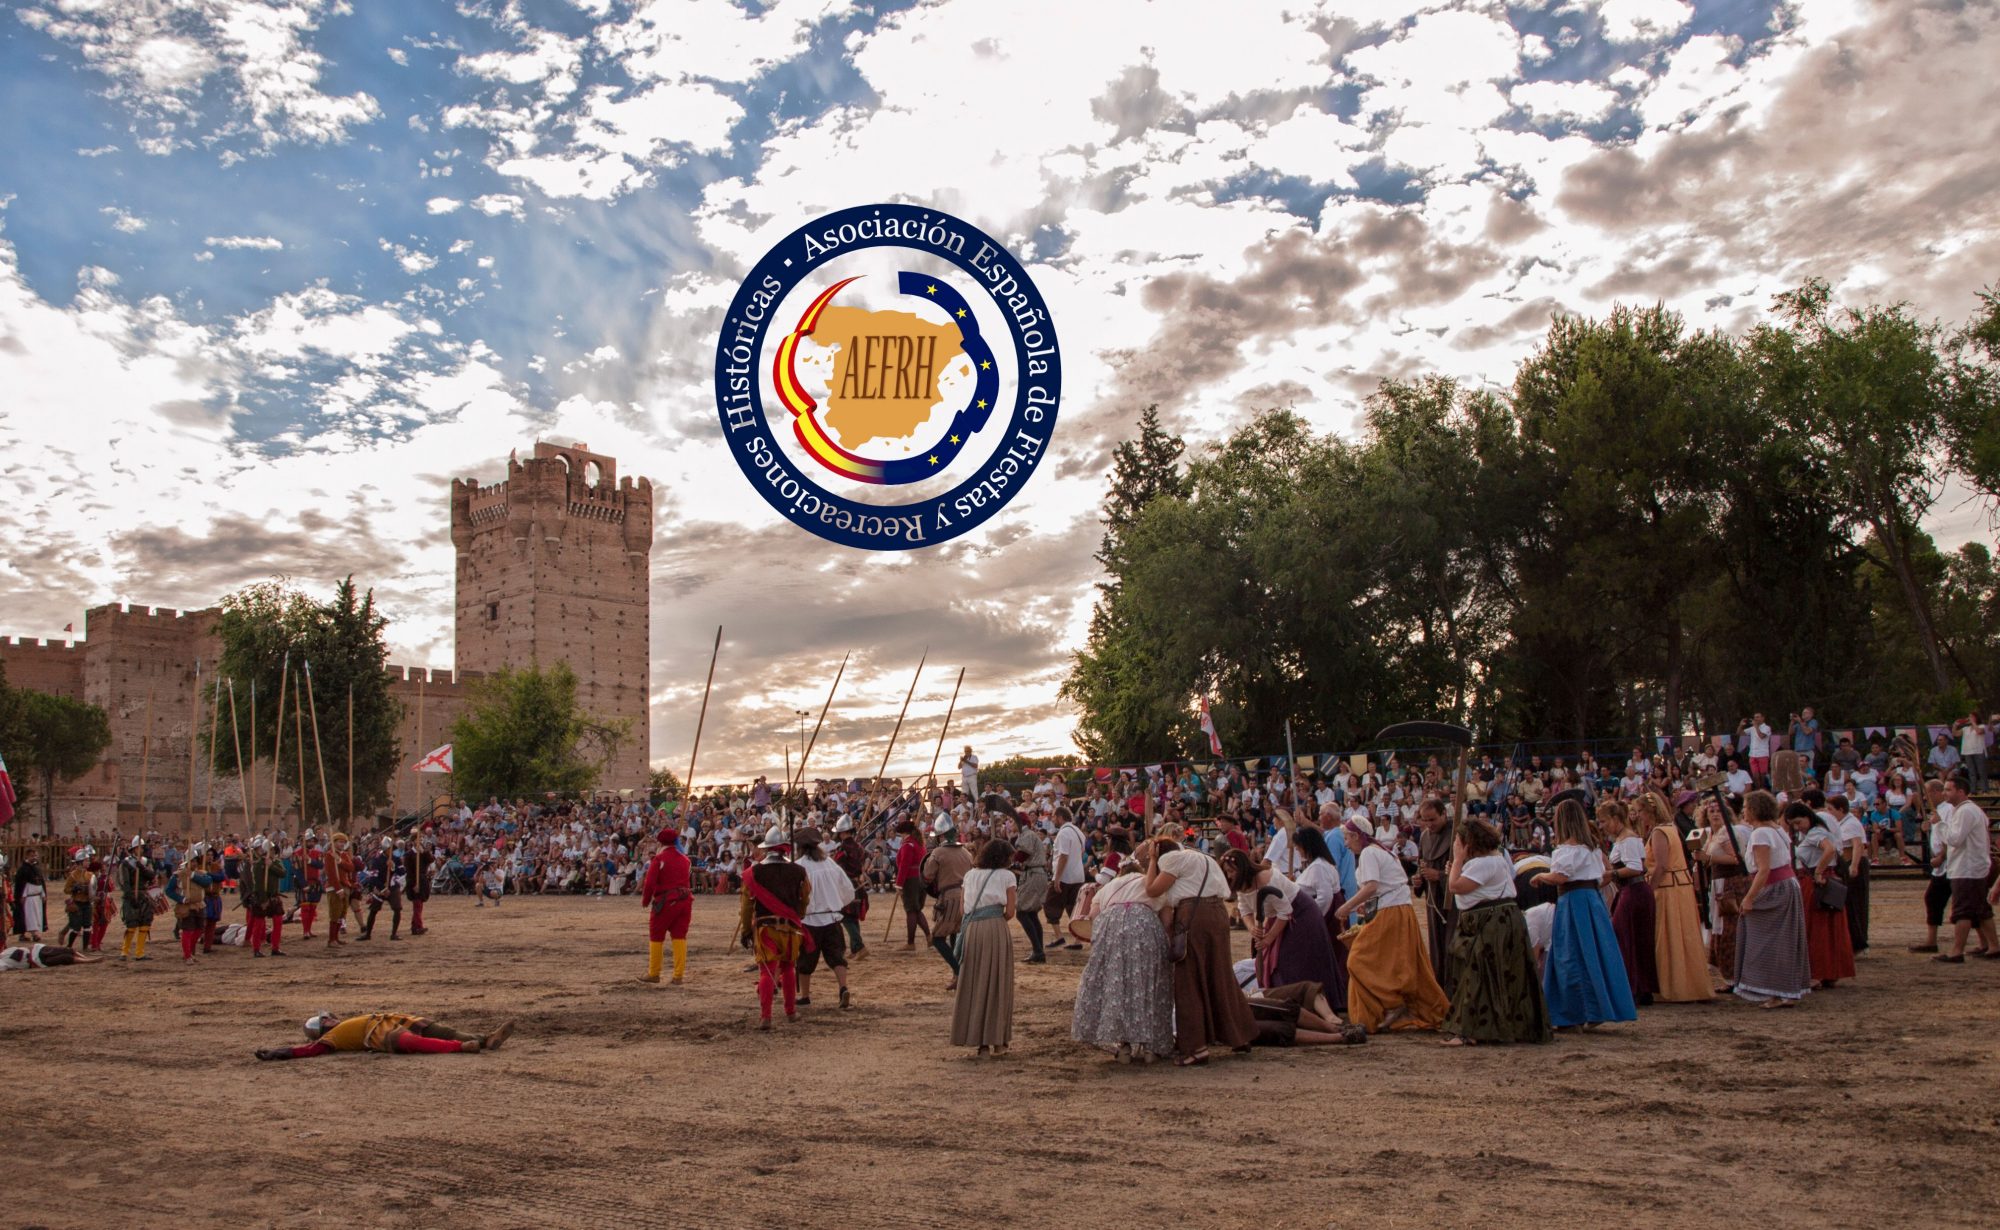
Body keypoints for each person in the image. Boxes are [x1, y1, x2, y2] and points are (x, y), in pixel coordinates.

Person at [1142, 834, 1255, 1065]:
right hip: (1217, 913)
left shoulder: (1171, 858)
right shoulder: (1203, 858)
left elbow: (1152, 889)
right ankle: (1239, 1035)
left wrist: (1153, 860)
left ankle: (1195, 1047)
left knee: (1188, 979)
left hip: (1194, 916)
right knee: (1220, 974)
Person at [1438, 818, 1550, 1045]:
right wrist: (1458, 866)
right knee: (1490, 976)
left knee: (1479, 975)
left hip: (1491, 922)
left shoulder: (1486, 863)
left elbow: (1456, 887)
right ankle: (1483, 1029)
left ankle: (1469, 1031)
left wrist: (1459, 859)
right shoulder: (1490, 860)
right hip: (1496, 919)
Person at [1336, 817, 1450, 1034]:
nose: (1346, 843)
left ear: (1356, 835)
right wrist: (1364, 907)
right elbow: (1383, 888)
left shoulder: (1370, 852)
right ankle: (1395, 1004)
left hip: (1391, 911)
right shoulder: (1382, 851)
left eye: (1347, 838)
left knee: (1358, 959)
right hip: (1396, 909)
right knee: (1395, 963)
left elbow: (1371, 886)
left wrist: (1346, 906)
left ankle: (1392, 1004)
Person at [1532, 799, 1636, 1030]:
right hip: (1592, 901)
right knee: (1595, 954)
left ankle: (1572, 1013)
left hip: (1572, 902)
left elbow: (1560, 876)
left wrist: (1540, 877)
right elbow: (1600, 876)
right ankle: (1597, 1008)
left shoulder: (1565, 851)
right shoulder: (1593, 849)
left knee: (1570, 956)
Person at [1071, 842, 1173, 1063]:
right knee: (1147, 983)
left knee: (1117, 986)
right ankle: (1149, 1047)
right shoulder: (1149, 882)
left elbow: (1093, 916)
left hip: (1111, 926)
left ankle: (1124, 1046)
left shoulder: (1108, 887)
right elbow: (1167, 920)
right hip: (1144, 924)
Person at [1221, 848, 1344, 1003]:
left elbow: (1285, 911)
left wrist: (1268, 939)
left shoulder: (1266, 879)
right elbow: (1244, 909)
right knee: (1274, 961)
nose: (1230, 875)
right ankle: (1290, 1001)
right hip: (1278, 917)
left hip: (1300, 915)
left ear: (1243, 868)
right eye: (1227, 872)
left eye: (1232, 871)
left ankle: (1313, 1000)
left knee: (1292, 959)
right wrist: (1253, 929)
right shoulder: (1242, 885)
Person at [1732, 790, 1812, 1008]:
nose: (1744, 812)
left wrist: (1749, 898)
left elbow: (1764, 869)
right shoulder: (1776, 829)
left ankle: (1774, 990)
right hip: (1786, 884)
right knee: (1780, 939)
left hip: (1775, 887)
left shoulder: (1761, 834)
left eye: (1747, 808)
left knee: (1766, 940)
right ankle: (1782, 989)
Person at [1638, 792, 1711, 1003]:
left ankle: (1674, 986)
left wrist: (1649, 890)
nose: (1639, 816)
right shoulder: (1671, 828)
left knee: (1669, 936)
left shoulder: (1660, 831)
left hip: (1668, 888)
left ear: (1649, 811)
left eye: (1641, 811)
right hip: (1680, 886)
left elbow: (1661, 865)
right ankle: (1688, 984)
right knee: (1684, 935)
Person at [738, 827, 810, 1030]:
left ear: (766, 848)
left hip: (766, 928)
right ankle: (790, 1012)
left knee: (767, 972)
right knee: (788, 968)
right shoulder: (799, 870)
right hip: (790, 928)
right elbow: (804, 898)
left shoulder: (754, 872)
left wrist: (745, 930)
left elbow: (746, 905)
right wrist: (798, 916)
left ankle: (766, 1017)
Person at [951, 836, 1017, 1056]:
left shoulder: (970, 875)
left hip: (972, 929)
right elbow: (1010, 912)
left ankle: (980, 1043)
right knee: (998, 982)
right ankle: (998, 1041)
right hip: (995, 928)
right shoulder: (1007, 876)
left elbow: (962, 910)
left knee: (974, 982)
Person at [1932, 773, 1998, 963]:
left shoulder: (1966, 811)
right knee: (1980, 909)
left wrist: (1939, 825)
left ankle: (1957, 951)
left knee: (1963, 910)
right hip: (1971, 866)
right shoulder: (1967, 810)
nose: (1944, 793)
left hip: (1967, 867)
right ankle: (1993, 946)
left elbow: (1955, 839)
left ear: (1960, 792)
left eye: (1948, 789)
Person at [1789, 802, 1854, 989]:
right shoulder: (1814, 831)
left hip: (1816, 883)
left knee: (1816, 929)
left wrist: (1818, 872)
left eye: (1798, 822)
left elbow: (1830, 849)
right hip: (1823, 881)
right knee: (1827, 929)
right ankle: (1828, 972)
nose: (1797, 827)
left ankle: (1818, 973)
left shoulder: (1816, 833)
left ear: (1808, 817)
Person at [255, 1012, 515, 1059]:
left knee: (441, 1030)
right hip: (383, 1036)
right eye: (325, 1020)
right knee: (418, 1043)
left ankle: (485, 1039)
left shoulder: (346, 1022)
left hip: (396, 1019)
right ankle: (462, 1048)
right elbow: (309, 1050)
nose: (330, 1019)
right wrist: (283, 1052)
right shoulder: (330, 1038)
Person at [1599, 800, 1657, 1006]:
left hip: (1633, 892)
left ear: (1615, 819)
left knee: (1627, 937)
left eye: (1604, 821)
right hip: (1630, 891)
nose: (1602, 826)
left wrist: (1610, 873)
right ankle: (1638, 986)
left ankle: (1636, 987)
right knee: (1631, 938)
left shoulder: (1629, 841)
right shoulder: (1623, 840)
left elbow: (1635, 868)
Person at [1290, 823, 1350, 1012]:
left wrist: (1315, 919)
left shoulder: (1319, 867)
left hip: (1326, 915)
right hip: (1327, 912)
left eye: (1299, 848)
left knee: (1327, 956)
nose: (1298, 851)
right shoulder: (1319, 865)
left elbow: (1325, 897)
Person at [796, 828, 856, 1010]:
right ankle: (843, 987)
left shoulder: (799, 867)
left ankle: (805, 996)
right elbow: (848, 890)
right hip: (831, 918)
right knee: (837, 956)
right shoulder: (830, 863)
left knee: (806, 960)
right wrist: (836, 904)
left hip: (810, 921)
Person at [920, 817, 972, 986]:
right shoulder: (966, 853)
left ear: (941, 836)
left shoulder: (938, 853)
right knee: (955, 934)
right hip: (966, 898)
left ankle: (959, 972)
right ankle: (958, 975)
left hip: (949, 898)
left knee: (937, 938)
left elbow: (927, 876)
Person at [1909, 777, 1957, 955]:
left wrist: (1942, 856)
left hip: (1948, 862)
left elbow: (1950, 835)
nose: (1924, 797)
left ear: (1936, 792)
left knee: (1960, 902)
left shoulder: (1948, 810)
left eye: (1927, 793)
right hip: (1943, 863)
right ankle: (1931, 940)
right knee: (1933, 899)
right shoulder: (1938, 811)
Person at [640, 826, 693, 984]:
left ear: (660, 842)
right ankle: (678, 975)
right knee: (679, 937)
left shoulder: (659, 859)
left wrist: (645, 900)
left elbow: (650, 883)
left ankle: (654, 973)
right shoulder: (685, 859)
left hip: (666, 901)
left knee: (656, 936)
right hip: (685, 900)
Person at [1413, 800, 1456, 995]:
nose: (1429, 824)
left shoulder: (1457, 835)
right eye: (1425, 820)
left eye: (1433, 819)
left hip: (1453, 900)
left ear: (1444, 814)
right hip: (1433, 899)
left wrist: (1439, 875)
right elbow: (1422, 865)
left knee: (1452, 946)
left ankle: (1453, 989)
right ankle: (1439, 991)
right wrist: (1419, 880)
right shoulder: (1424, 837)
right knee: (1436, 947)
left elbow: (1466, 870)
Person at [1829, 795, 1869, 953]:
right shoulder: (1843, 822)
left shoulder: (1851, 823)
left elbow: (1857, 845)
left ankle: (1858, 941)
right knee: (1851, 903)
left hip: (1853, 863)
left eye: (1832, 809)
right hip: (1847, 862)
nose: (1829, 812)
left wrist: (1853, 865)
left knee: (1856, 903)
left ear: (1840, 809)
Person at [1044, 806, 1088, 948]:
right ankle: (1078, 940)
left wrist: (1057, 878)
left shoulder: (1063, 834)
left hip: (1065, 876)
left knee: (1050, 905)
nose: (1052, 819)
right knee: (1073, 908)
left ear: (1060, 817)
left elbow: (1063, 856)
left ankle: (1059, 937)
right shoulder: (1079, 832)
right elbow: (1080, 854)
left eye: (1054, 816)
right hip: (1078, 875)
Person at [239, 838, 288, 957]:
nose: (272, 852)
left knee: (278, 922)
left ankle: (275, 948)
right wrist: (262, 900)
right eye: (270, 850)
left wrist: (271, 866)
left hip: (274, 897)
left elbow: (283, 874)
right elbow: (258, 884)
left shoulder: (275, 862)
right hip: (262, 897)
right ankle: (256, 949)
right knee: (258, 924)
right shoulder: (258, 865)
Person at [831, 815, 870, 961]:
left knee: (846, 917)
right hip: (857, 884)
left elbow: (838, 867)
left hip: (847, 884)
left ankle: (860, 946)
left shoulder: (842, 848)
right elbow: (865, 858)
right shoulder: (858, 846)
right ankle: (855, 949)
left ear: (843, 832)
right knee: (853, 917)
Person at [1011, 820, 1051, 962]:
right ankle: (1038, 951)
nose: (1010, 824)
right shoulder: (1028, 834)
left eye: (1012, 821)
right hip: (1035, 873)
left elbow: (1023, 854)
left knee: (1022, 912)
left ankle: (1038, 951)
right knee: (1031, 914)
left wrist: (1009, 861)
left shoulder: (1027, 834)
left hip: (1033, 873)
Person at [893, 819, 932, 949]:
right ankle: (928, 936)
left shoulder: (908, 845)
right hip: (921, 878)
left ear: (904, 833)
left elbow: (904, 866)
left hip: (911, 880)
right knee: (916, 910)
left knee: (911, 910)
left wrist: (899, 884)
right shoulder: (919, 844)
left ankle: (911, 943)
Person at [358, 837, 405, 942]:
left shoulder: (396, 859)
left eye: (391, 849)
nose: (390, 851)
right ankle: (368, 934)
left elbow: (402, 873)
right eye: (388, 849)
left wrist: (393, 867)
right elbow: (373, 877)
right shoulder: (377, 860)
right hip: (380, 888)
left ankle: (394, 934)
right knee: (373, 910)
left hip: (393, 887)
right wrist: (383, 889)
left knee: (397, 909)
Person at [117, 837, 156, 960]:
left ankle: (140, 952)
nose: (141, 849)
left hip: (144, 895)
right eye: (139, 847)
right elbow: (124, 881)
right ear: (133, 848)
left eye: (142, 847)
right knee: (131, 925)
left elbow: (152, 876)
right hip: (132, 895)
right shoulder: (126, 862)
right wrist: (130, 895)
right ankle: (124, 952)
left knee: (145, 924)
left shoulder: (146, 861)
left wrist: (142, 868)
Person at [325, 832, 356, 946]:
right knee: (335, 913)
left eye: (343, 842)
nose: (342, 844)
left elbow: (351, 868)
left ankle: (336, 937)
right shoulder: (329, 855)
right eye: (339, 842)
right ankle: (331, 939)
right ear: (334, 843)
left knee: (342, 913)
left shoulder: (344, 855)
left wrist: (340, 861)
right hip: (335, 887)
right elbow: (331, 874)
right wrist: (338, 889)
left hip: (345, 885)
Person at [12, 849, 47, 942]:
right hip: (28, 898)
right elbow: (21, 885)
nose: (34, 857)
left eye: (35, 855)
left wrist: (43, 894)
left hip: (37, 897)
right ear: (27, 856)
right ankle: (34, 934)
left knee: (37, 915)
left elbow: (41, 883)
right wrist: (22, 896)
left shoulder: (37, 868)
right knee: (29, 916)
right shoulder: (23, 869)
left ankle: (32, 933)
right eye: (32, 855)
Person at [403, 835, 434, 936]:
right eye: (418, 839)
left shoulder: (422, 853)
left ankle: (414, 926)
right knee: (417, 905)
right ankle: (418, 926)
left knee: (419, 905)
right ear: (413, 841)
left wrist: (424, 852)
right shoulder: (409, 854)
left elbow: (431, 860)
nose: (420, 841)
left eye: (420, 839)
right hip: (414, 881)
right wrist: (414, 884)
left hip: (422, 880)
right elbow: (409, 871)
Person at [2, 942, 104, 971]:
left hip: (38, 950)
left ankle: (86, 958)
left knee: (67, 950)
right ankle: (89, 961)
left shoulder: (5, 952)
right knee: (65, 958)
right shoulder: (2, 963)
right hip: (37, 962)